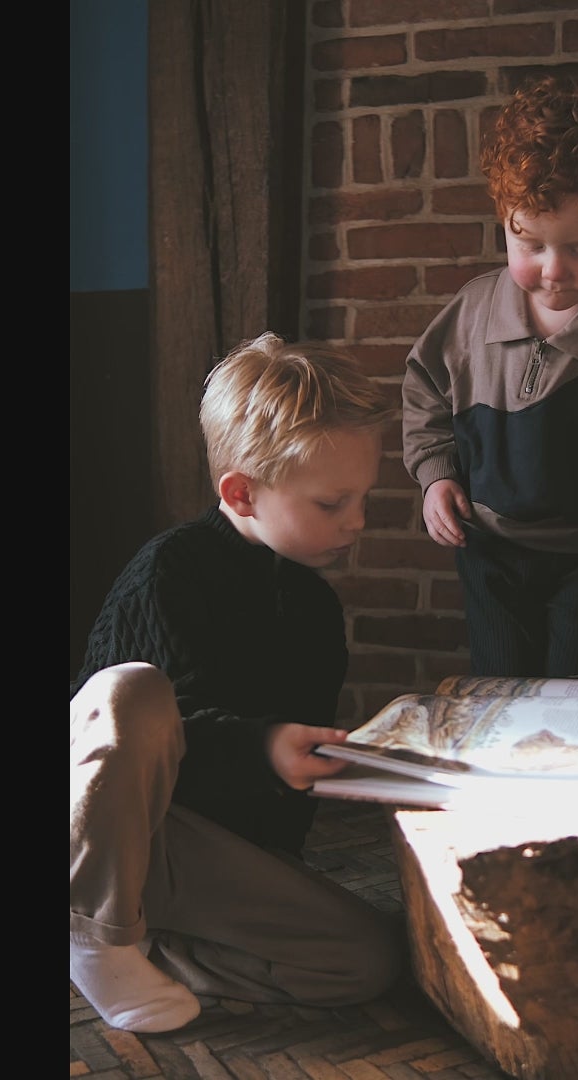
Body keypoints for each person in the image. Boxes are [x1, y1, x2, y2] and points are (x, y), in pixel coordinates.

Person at [68, 332, 405, 1033]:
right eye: (331, 503)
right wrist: (262, 748)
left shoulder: (315, 607)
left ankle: (149, 942)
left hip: (203, 853)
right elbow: (136, 746)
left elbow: (276, 782)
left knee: (366, 961)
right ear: (241, 493)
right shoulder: (170, 571)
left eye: (363, 498)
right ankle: (91, 930)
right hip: (117, 833)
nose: (358, 522)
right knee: (129, 692)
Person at [402, 75, 578, 678]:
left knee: (570, 692)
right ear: (504, 217)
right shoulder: (470, 313)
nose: (554, 271)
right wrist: (434, 474)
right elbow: (425, 387)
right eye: (529, 243)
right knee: (498, 686)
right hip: (488, 550)